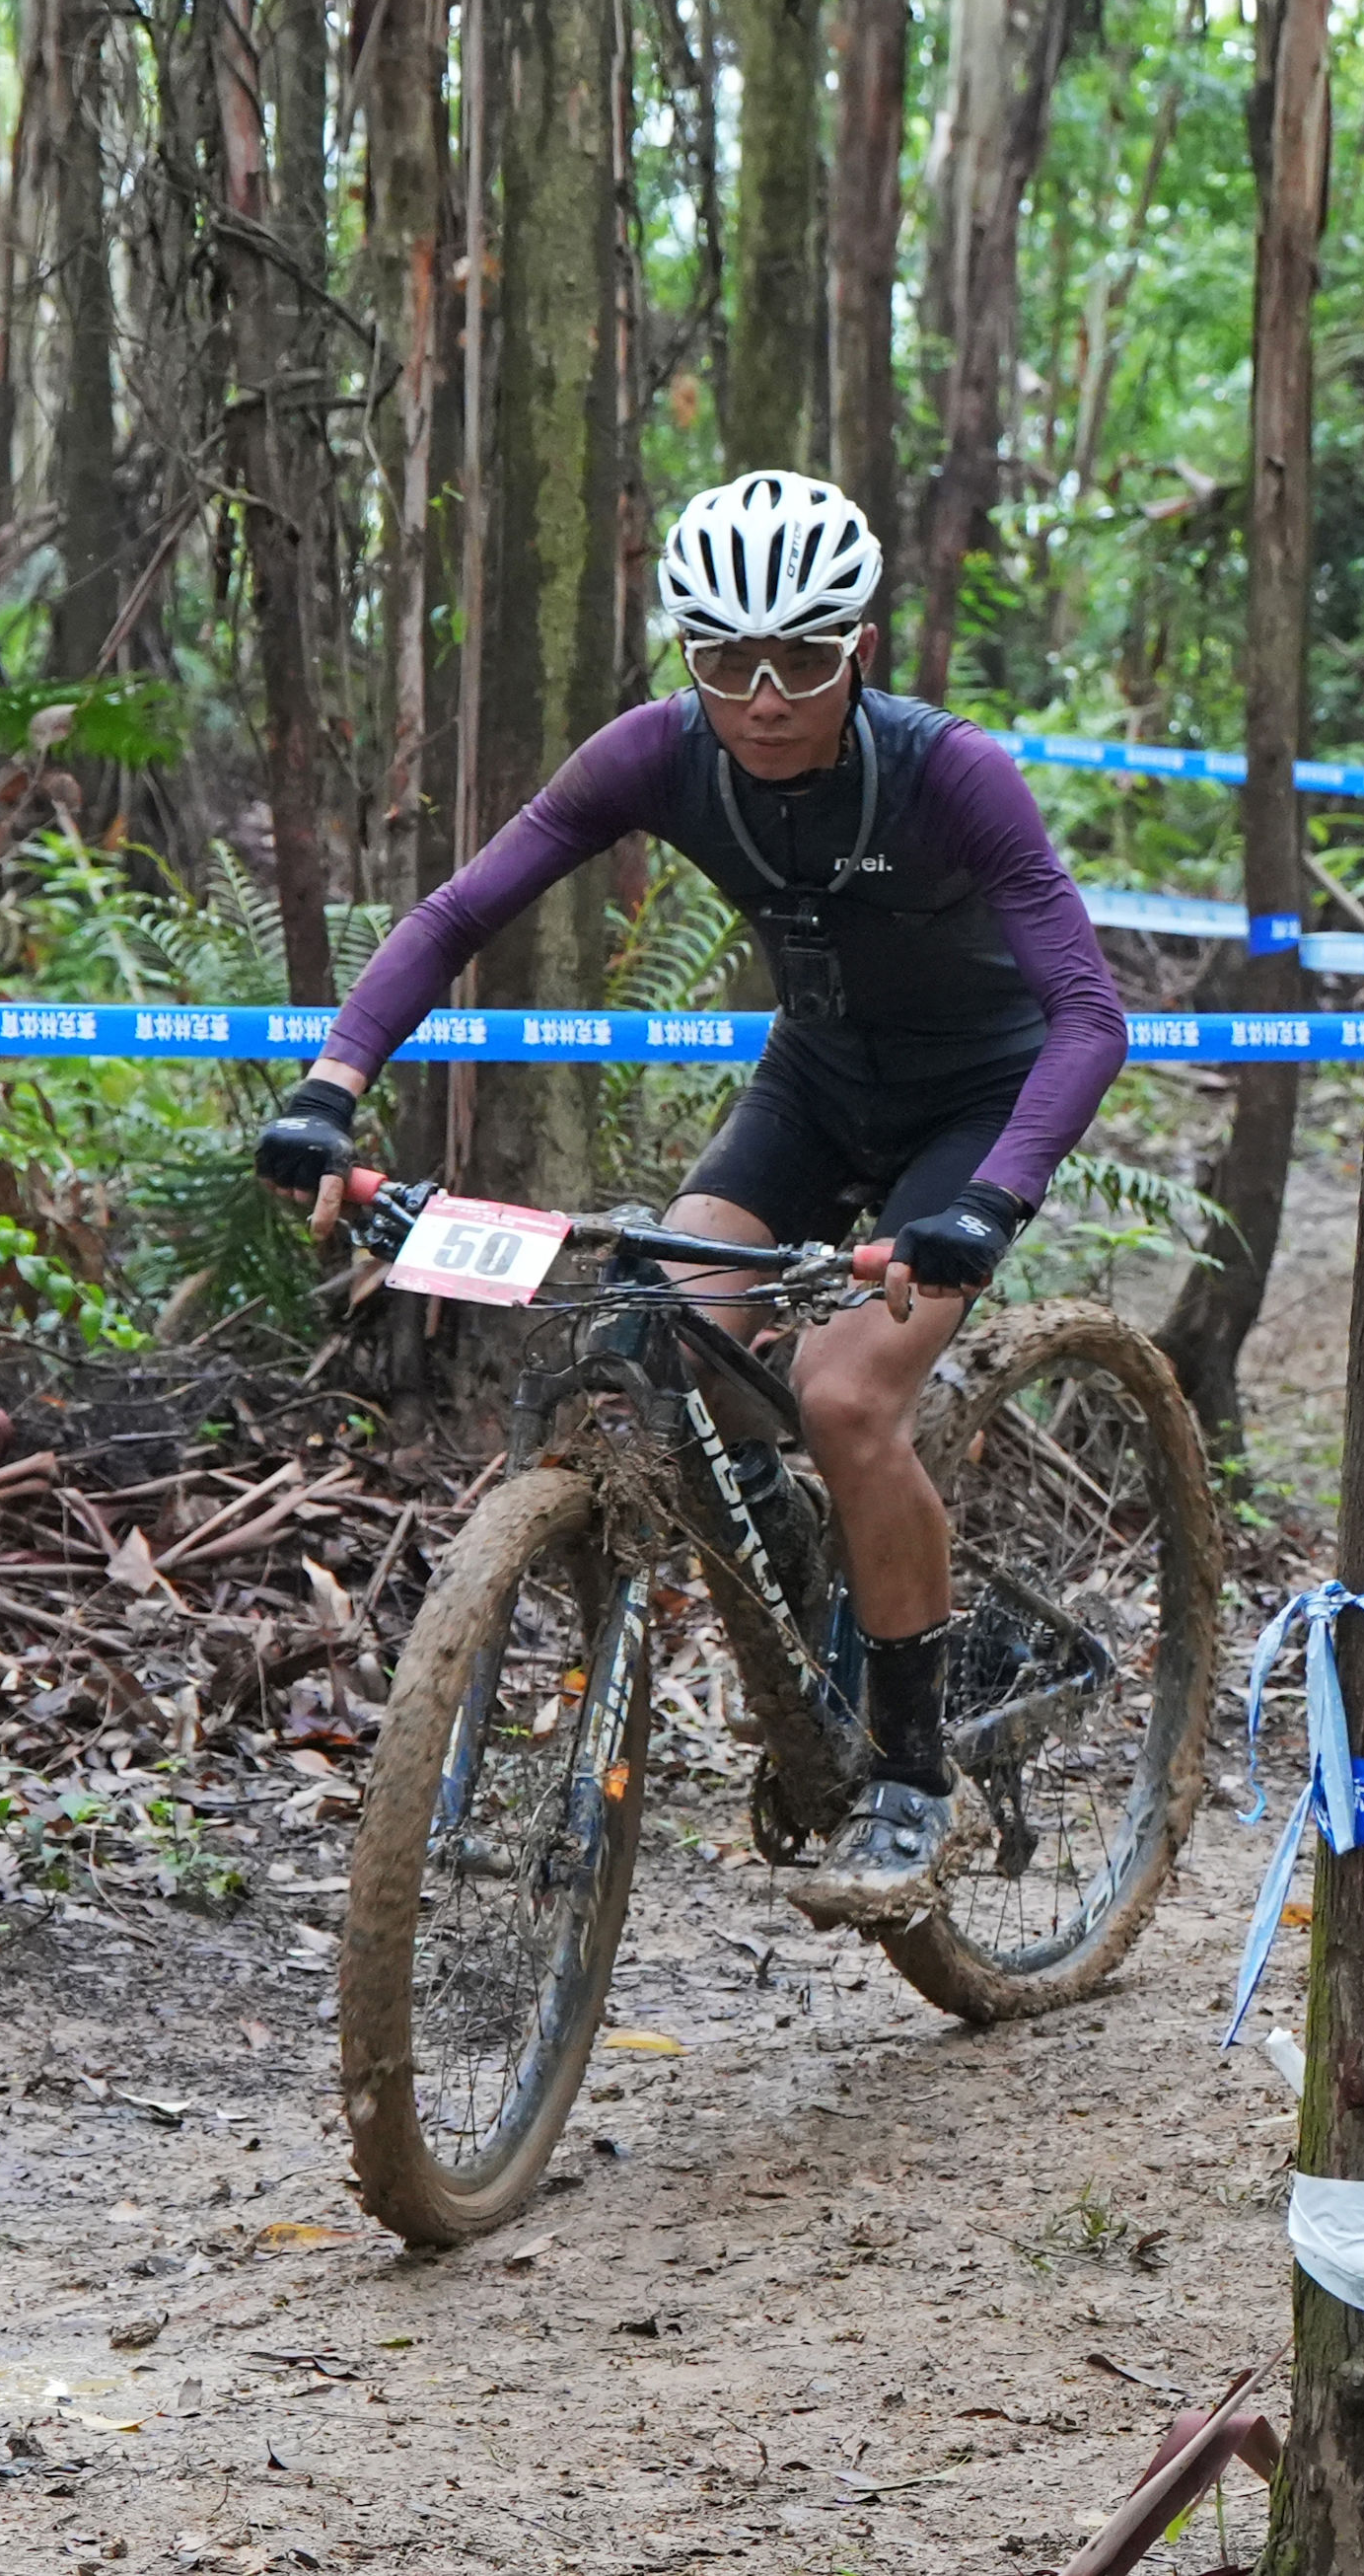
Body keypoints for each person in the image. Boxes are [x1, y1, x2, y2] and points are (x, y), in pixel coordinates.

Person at [252, 471, 1127, 1925]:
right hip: (815, 1085)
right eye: (726, 660)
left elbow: (1090, 1017)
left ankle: (916, 1776)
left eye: (800, 657)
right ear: (686, 653)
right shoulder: (653, 757)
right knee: (663, 1324)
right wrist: (330, 1085)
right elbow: (460, 913)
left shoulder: (948, 771)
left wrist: (985, 1205)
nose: (765, 694)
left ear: (861, 643)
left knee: (848, 1402)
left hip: (977, 1104)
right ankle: (838, 1596)